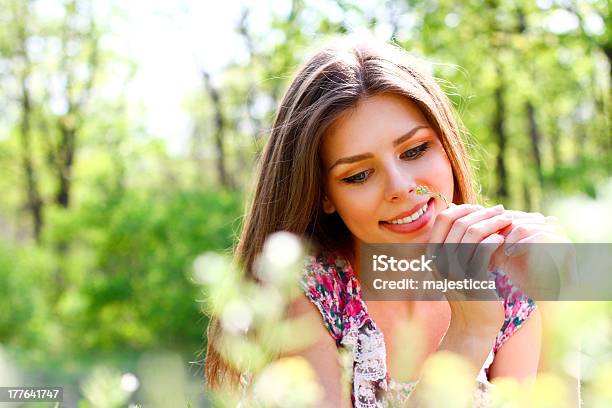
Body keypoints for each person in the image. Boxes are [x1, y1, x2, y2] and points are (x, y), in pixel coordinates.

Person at [205, 36, 567, 407]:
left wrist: (560, 304)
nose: (400, 187)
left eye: (414, 150)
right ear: (324, 194)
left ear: (447, 145)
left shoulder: (506, 281)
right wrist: (469, 332)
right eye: (358, 175)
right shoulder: (306, 296)